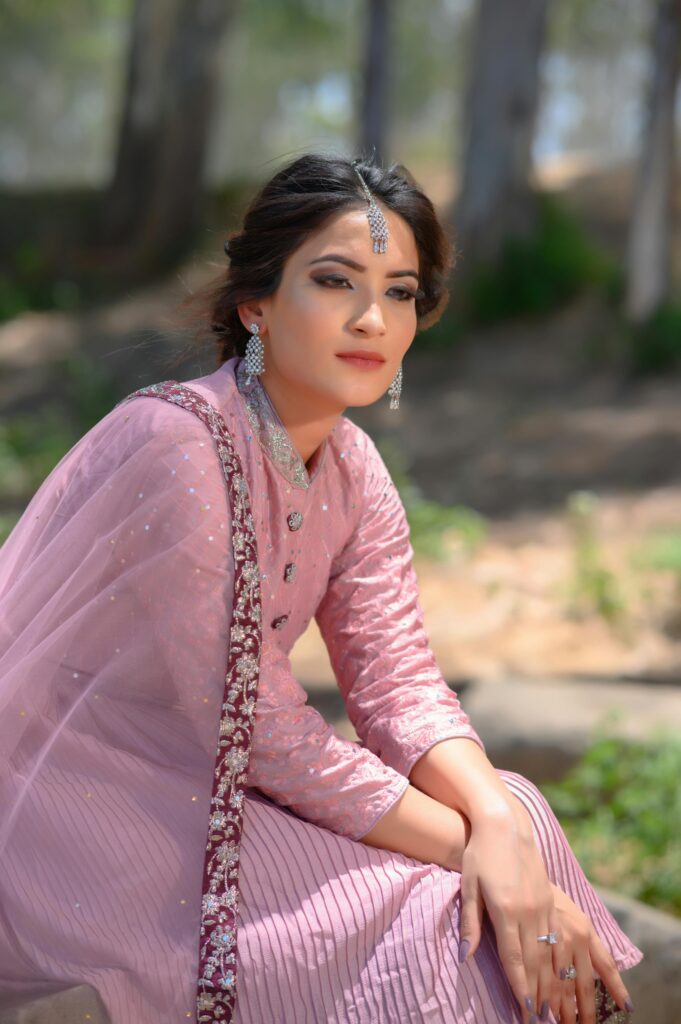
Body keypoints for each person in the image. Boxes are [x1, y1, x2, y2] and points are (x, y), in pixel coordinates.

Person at [0, 153, 641, 1024]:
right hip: (98, 806)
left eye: (402, 291)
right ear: (255, 303)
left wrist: (492, 818)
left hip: (221, 782)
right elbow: (258, 725)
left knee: (516, 810)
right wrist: (475, 847)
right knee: (437, 912)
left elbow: (396, 680)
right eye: (335, 281)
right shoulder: (179, 444)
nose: (372, 318)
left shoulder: (353, 467)